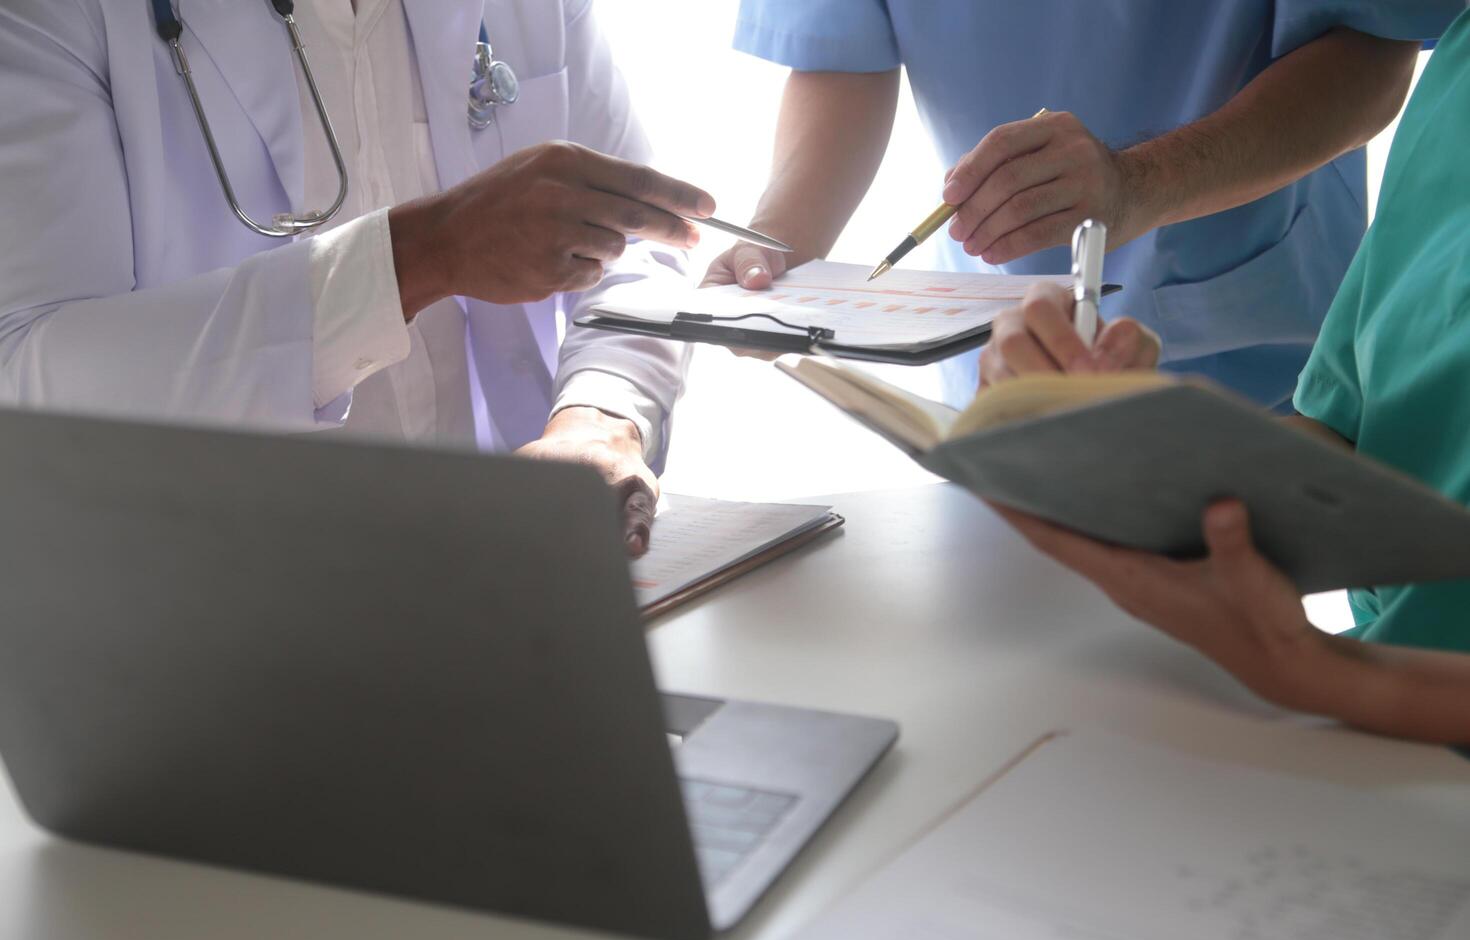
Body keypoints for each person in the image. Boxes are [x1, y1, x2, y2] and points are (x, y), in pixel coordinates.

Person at [0, 0, 711, 554]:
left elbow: (640, 245)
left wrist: (599, 415)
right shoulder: (50, 16)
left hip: (508, 579)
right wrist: (420, 256)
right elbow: (29, 366)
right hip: (213, 605)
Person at [974, 9, 1470, 747]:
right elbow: (1347, 439)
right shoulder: (1458, 78)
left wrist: (1326, 673)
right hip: (1370, 733)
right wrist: (1132, 458)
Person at [709, 1, 1460, 410]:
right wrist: (780, 244)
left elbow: (1371, 51)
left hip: (1247, 358)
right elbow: (843, 53)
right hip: (996, 354)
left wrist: (1141, 182)